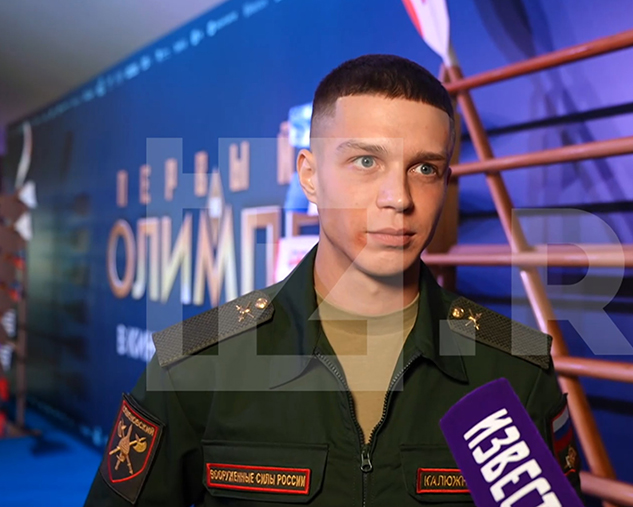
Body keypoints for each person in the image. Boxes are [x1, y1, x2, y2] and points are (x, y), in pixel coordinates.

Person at [84, 54, 581, 506]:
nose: (398, 197)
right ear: (310, 176)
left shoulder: (514, 369)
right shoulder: (195, 365)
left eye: (424, 168)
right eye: (366, 161)